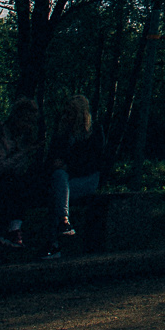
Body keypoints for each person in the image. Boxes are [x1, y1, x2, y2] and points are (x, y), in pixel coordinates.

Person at [43, 95, 103, 259]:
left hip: (87, 178)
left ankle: (53, 244)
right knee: (59, 179)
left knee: (58, 193)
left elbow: (96, 162)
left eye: (70, 114)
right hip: (63, 180)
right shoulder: (60, 134)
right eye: (65, 113)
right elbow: (50, 159)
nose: (66, 117)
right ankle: (64, 221)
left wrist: (69, 166)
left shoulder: (94, 132)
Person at [0, 98, 42, 250]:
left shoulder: (24, 138)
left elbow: (20, 170)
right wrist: (23, 153)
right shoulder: (1, 134)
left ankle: (13, 230)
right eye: (25, 120)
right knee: (9, 186)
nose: (27, 126)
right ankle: (5, 233)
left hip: (12, 182)